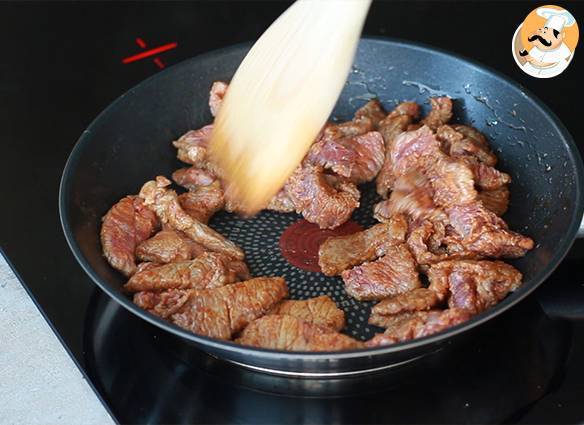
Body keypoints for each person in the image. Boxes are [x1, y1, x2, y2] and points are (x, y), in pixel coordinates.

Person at [520, 7, 576, 78]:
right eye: (544, 32)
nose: (544, 36)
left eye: (550, 34)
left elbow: (545, 63)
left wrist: (530, 58)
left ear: (562, 36)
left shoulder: (563, 52)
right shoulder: (537, 46)